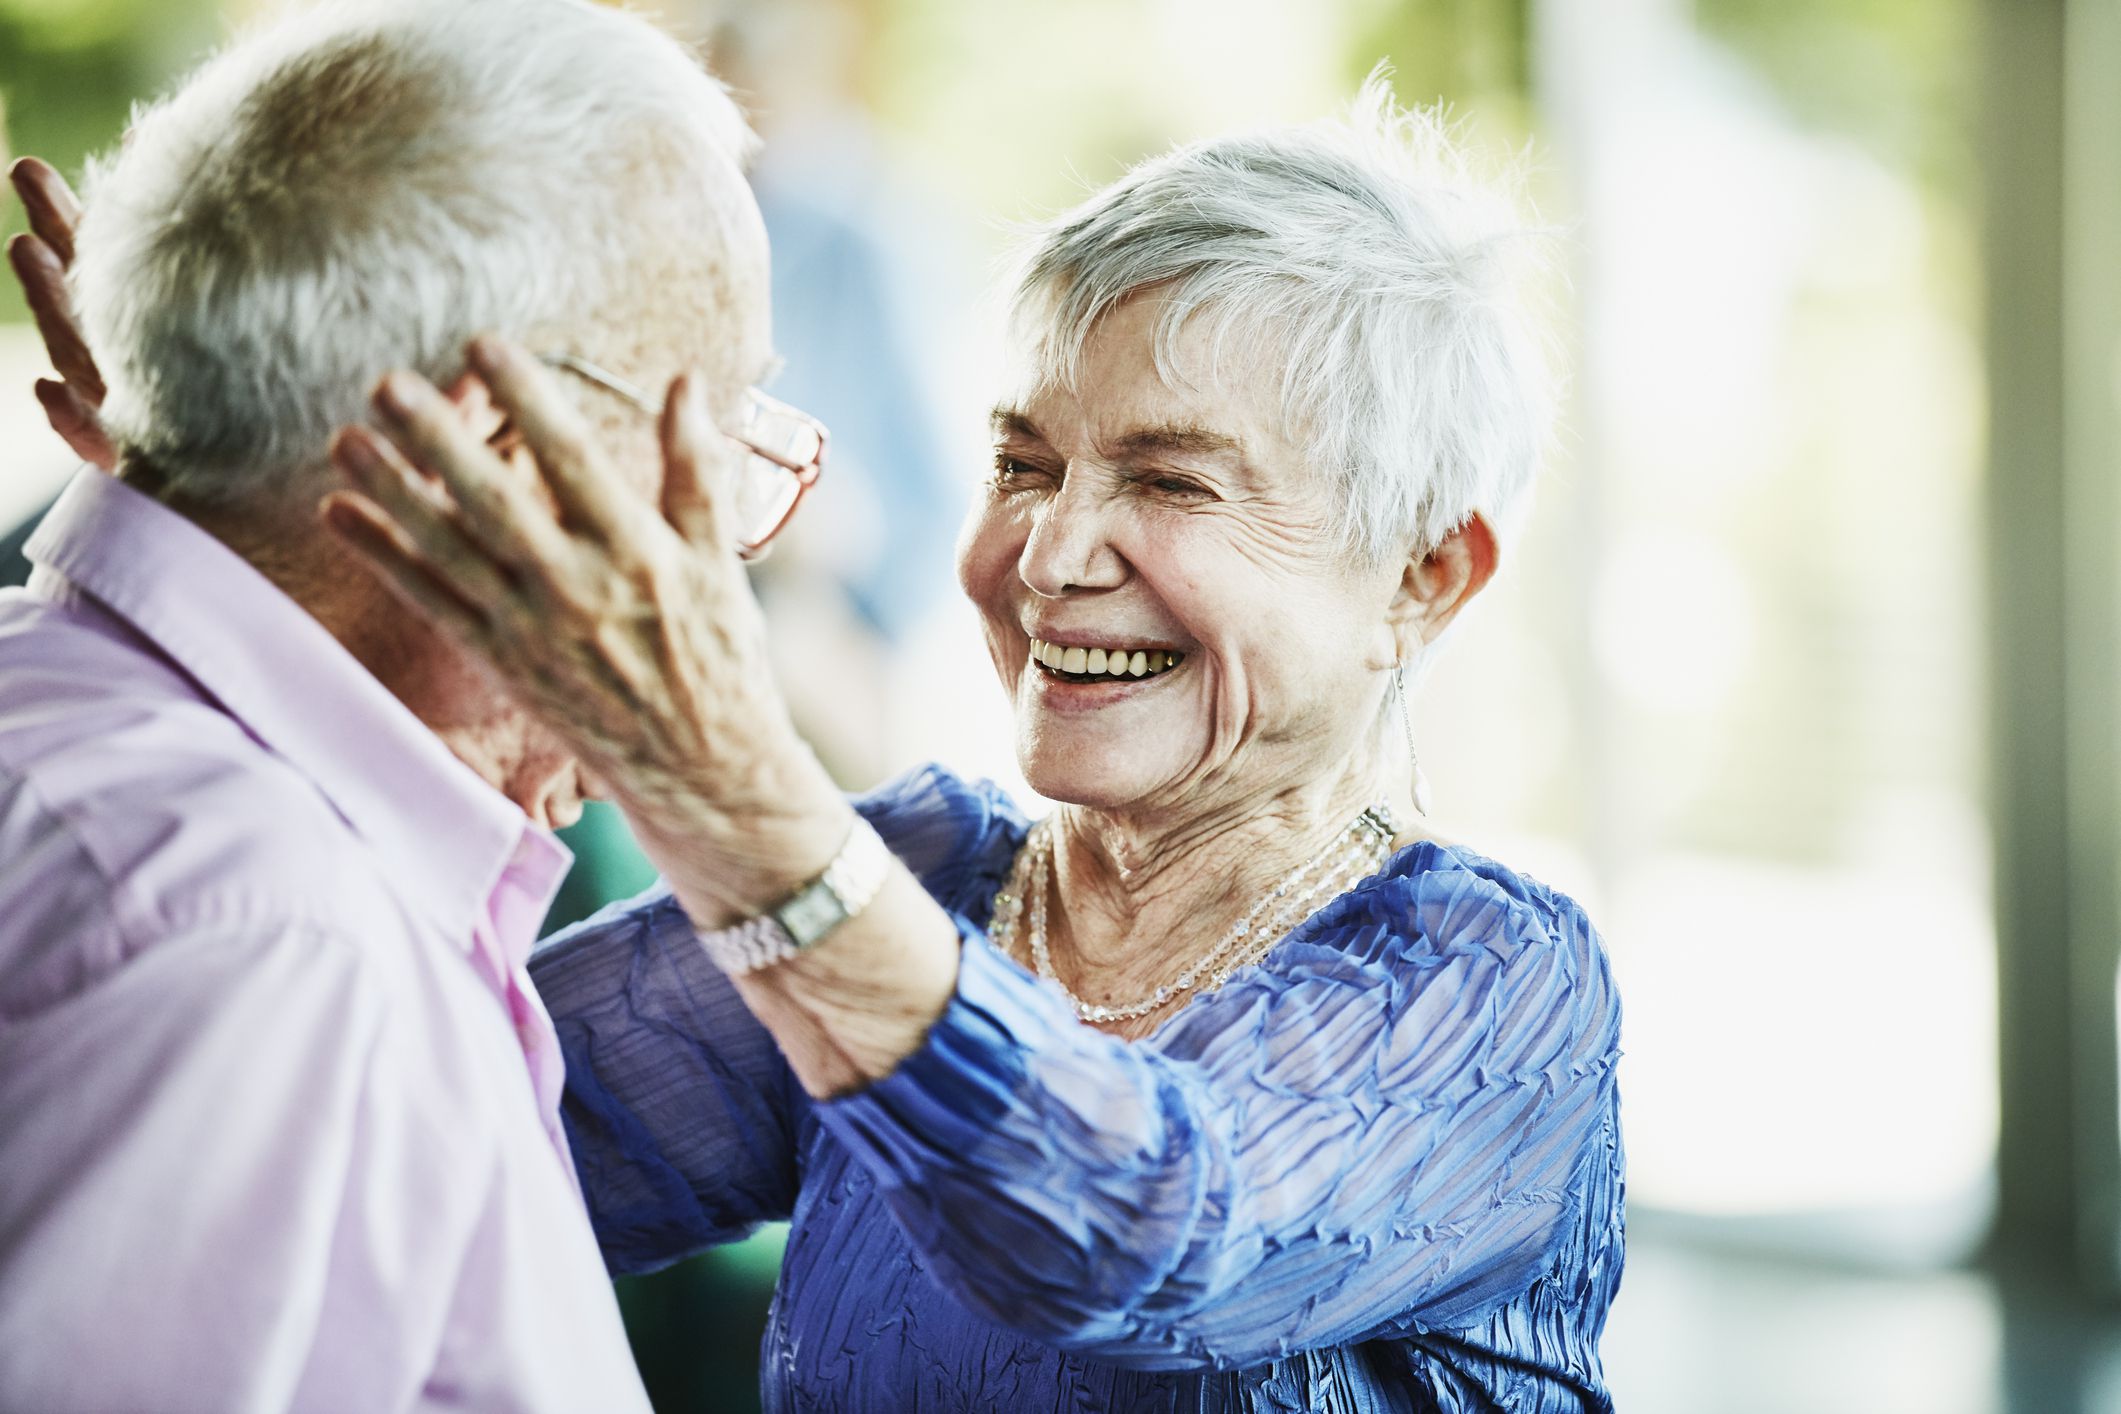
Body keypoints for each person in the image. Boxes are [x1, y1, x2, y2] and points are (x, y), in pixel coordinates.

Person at [19, 72, 1623, 1414]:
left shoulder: (1499, 981)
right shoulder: (929, 877)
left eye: (1171, 481)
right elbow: (409, 1090)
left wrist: (730, 785)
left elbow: (1150, 1230)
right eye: (1021, 460)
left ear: (1423, 575)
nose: (1050, 554)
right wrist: (251, 477)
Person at [0, 0, 791, 1407]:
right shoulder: (261, 926)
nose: (724, 536)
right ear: (483, 460)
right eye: (713, 438)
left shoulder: (85, 729)